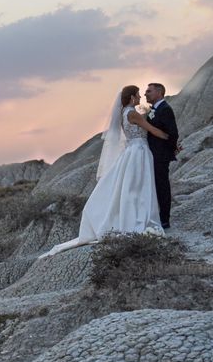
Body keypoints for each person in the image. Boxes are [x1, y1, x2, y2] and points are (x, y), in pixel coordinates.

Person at [40, 85, 169, 258]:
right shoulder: (133, 114)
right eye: (137, 95)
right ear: (131, 98)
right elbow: (152, 130)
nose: (140, 97)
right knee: (138, 186)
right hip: (139, 152)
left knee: (132, 186)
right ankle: (137, 218)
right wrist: (170, 139)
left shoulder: (124, 113)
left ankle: (134, 214)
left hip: (133, 151)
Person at [144, 83, 179, 229]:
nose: (146, 94)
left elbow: (173, 133)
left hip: (160, 156)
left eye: (149, 91)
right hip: (153, 154)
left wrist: (171, 150)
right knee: (156, 185)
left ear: (159, 92)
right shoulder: (154, 110)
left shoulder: (165, 109)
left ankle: (165, 219)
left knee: (162, 186)